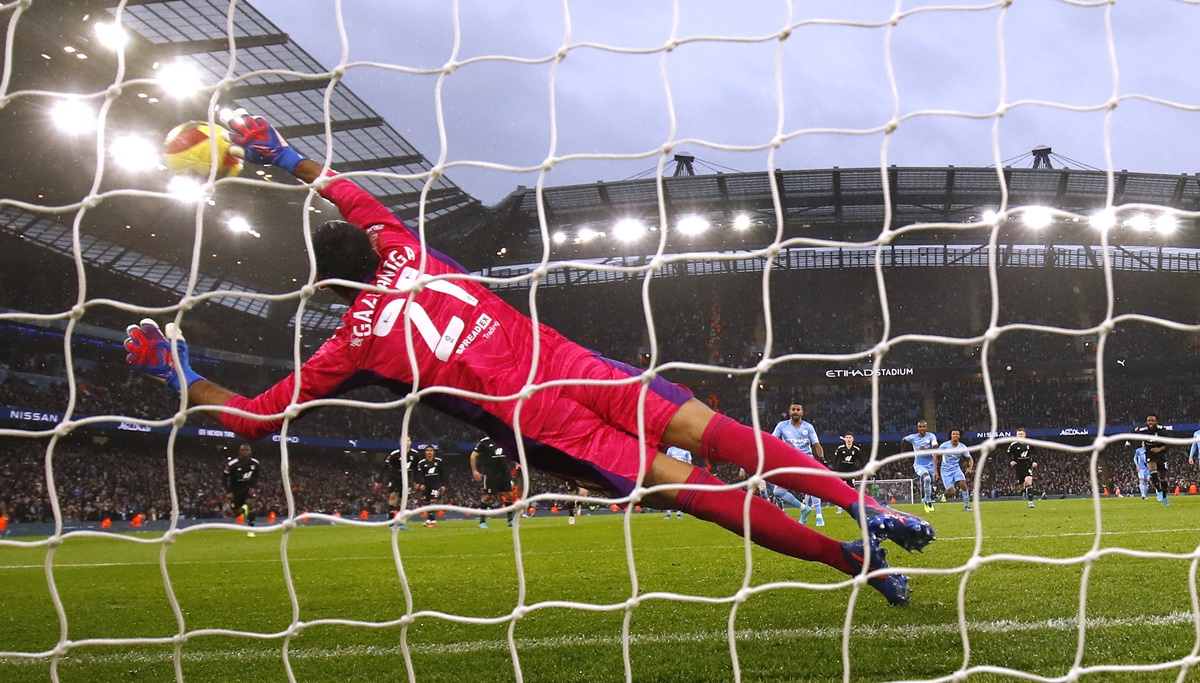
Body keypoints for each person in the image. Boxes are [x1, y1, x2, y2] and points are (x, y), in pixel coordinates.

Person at [122, 111, 933, 605]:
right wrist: (283, 156)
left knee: (694, 489)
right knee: (718, 431)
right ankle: (866, 508)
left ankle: (849, 558)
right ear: (372, 251)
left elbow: (255, 419)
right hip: (584, 367)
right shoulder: (410, 250)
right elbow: (356, 202)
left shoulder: (352, 341)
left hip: (543, 419)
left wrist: (182, 376)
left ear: (332, 290)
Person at [771, 403, 826, 526]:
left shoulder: (809, 427)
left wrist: (822, 459)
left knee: (813, 488)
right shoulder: (782, 426)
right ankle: (803, 508)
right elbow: (772, 441)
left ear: (802, 412)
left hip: (806, 461)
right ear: (789, 412)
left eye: (798, 410)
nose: (796, 411)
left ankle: (819, 516)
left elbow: (816, 445)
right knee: (778, 492)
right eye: (793, 409)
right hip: (789, 463)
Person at [470, 435, 517, 528]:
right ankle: (482, 521)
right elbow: (473, 456)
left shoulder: (505, 440)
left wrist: (516, 463)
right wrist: (474, 471)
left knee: (509, 495)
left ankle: (511, 520)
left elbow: (512, 453)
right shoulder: (484, 442)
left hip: (504, 473)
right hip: (490, 474)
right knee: (487, 496)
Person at [377, 435, 419, 528]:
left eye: (408, 440)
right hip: (395, 479)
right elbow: (384, 467)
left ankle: (401, 522)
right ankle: (391, 521)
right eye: (403, 440)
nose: (406, 442)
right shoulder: (394, 454)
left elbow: (416, 469)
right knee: (393, 497)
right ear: (400, 443)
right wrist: (379, 480)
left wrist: (417, 481)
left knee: (405, 501)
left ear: (410, 442)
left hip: (407, 481)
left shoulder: (415, 454)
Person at [1131, 414, 1171, 506]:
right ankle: (1159, 491)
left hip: (1161, 453)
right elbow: (1133, 431)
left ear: (1156, 421)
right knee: (1153, 472)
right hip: (1150, 453)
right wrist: (1128, 441)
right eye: (1149, 421)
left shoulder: (1162, 431)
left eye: (1152, 420)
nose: (1150, 422)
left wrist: (1159, 449)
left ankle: (1165, 497)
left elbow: (1169, 443)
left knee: (1163, 477)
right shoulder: (1144, 430)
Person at [224, 442, 260, 535]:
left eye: (247, 450)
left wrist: (253, 487)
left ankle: (251, 528)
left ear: (250, 451)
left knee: (251, 503)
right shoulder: (232, 464)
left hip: (247, 488)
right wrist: (228, 492)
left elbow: (256, 476)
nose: (245, 452)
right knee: (237, 513)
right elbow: (224, 478)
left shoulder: (255, 463)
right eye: (243, 450)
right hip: (235, 489)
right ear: (239, 452)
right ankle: (244, 510)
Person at [903, 421, 938, 512]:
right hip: (919, 464)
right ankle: (929, 502)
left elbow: (936, 449)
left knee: (931, 481)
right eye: (920, 427)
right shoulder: (913, 437)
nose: (922, 428)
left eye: (924, 427)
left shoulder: (931, 436)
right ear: (918, 428)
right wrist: (902, 453)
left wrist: (926, 449)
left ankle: (926, 498)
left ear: (926, 428)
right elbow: (903, 440)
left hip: (931, 465)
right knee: (927, 479)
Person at [937, 429, 974, 511]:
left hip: (956, 469)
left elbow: (970, 459)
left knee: (963, 484)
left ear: (959, 436)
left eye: (957, 434)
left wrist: (969, 468)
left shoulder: (962, 447)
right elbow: (936, 457)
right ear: (951, 435)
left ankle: (967, 506)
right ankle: (946, 494)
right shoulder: (944, 446)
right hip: (945, 470)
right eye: (954, 434)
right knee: (952, 492)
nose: (955, 435)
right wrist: (936, 472)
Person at [414, 445, 445, 526]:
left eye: (431, 450)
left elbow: (443, 474)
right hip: (426, 485)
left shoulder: (438, 461)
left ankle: (432, 521)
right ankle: (430, 520)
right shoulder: (422, 463)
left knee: (433, 500)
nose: (429, 452)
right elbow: (419, 474)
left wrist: (443, 485)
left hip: (435, 484)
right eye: (427, 450)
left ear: (434, 452)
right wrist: (420, 484)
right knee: (427, 502)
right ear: (425, 452)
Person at [832, 432, 862, 515]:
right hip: (841, 471)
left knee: (852, 488)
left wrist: (861, 470)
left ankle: (852, 506)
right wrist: (834, 470)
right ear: (845, 439)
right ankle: (840, 507)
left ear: (853, 439)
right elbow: (835, 460)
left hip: (851, 471)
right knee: (840, 488)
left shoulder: (856, 449)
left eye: (850, 438)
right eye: (847, 438)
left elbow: (862, 460)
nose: (848, 439)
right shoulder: (840, 448)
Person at [1006, 428, 1037, 508]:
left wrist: (1034, 461)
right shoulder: (1013, 445)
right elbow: (1008, 455)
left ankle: (1030, 502)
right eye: (1019, 434)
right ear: (1016, 435)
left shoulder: (1030, 443)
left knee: (1029, 482)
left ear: (1025, 435)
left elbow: (1035, 453)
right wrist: (1011, 461)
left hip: (1027, 465)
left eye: (1021, 434)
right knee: (1021, 486)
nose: (1020, 436)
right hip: (1018, 467)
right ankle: (1024, 491)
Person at [662, 446, 693, 520]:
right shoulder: (670, 449)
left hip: (682, 474)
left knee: (680, 494)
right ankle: (668, 514)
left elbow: (689, 463)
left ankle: (679, 514)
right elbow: (667, 462)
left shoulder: (686, 450)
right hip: (672, 474)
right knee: (669, 493)